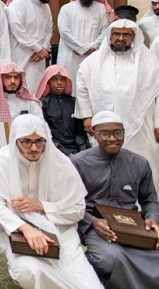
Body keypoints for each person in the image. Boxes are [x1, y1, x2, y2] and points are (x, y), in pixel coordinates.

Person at [0, 114, 102, 288]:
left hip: (61, 233)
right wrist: (26, 228)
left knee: (88, 284)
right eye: (26, 142)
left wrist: (42, 207)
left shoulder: (61, 163)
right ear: (15, 140)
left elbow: (78, 210)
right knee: (29, 272)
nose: (34, 148)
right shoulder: (2, 160)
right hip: (17, 231)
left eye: (39, 141)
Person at [71, 111, 159, 288]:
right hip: (94, 227)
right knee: (109, 259)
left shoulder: (139, 163)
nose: (112, 139)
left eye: (117, 133)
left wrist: (152, 218)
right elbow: (69, 204)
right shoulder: (78, 163)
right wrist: (93, 222)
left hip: (132, 227)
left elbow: (149, 200)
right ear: (94, 134)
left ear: (123, 133)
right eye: (105, 134)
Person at [75, 19, 159, 187]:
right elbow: (82, 88)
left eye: (126, 35)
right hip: (104, 123)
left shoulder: (149, 62)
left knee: (143, 160)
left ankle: (144, 200)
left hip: (142, 125)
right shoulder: (92, 62)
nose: (121, 38)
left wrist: (158, 122)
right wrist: (86, 117)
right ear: (110, 36)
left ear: (134, 37)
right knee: (105, 162)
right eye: (117, 34)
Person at [56, 0, 113, 95]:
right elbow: (64, 32)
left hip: (93, 54)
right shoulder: (67, 9)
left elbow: (106, 30)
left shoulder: (101, 8)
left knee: (91, 88)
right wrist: (82, 48)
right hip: (71, 56)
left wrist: (93, 46)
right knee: (71, 89)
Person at [5, 0, 63, 89]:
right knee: (20, 87)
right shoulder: (19, 3)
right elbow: (17, 30)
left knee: (37, 89)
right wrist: (38, 48)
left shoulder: (45, 6)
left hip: (39, 58)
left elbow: (48, 30)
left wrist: (44, 49)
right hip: (21, 55)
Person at [35, 65, 88, 156]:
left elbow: (80, 132)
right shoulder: (42, 103)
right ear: (48, 82)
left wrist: (82, 152)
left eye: (62, 79)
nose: (59, 82)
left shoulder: (73, 102)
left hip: (76, 149)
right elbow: (45, 133)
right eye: (54, 79)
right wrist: (67, 154)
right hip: (52, 149)